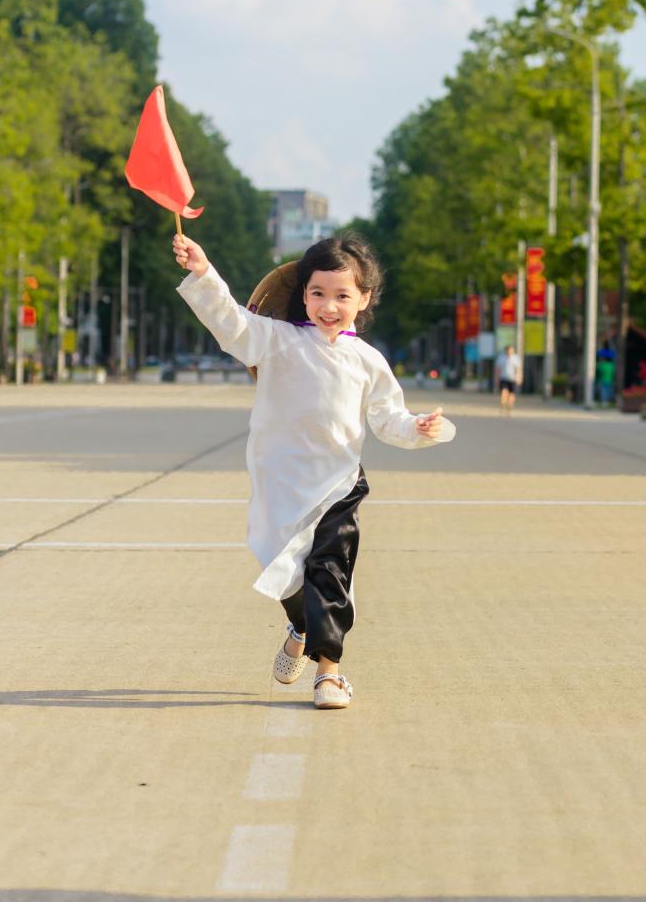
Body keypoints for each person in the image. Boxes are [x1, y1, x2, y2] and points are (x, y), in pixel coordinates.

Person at [172, 230, 456, 709]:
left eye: (343, 295)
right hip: (280, 484)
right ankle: (300, 627)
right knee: (283, 572)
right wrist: (203, 271)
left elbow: (389, 418)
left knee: (329, 574)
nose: (329, 305)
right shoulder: (276, 340)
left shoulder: (367, 360)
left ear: (363, 298)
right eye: (318, 293)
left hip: (337, 486)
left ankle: (329, 672)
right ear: (302, 293)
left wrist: (419, 427)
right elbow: (229, 322)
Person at [494, 343, 522, 415]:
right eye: (508, 350)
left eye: (511, 350)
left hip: (513, 379)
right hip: (503, 378)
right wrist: (497, 378)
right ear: (506, 351)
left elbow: (518, 369)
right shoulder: (501, 358)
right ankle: (503, 405)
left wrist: (519, 378)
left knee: (512, 394)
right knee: (504, 391)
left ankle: (510, 406)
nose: (510, 352)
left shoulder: (516, 358)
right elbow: (498, 369)